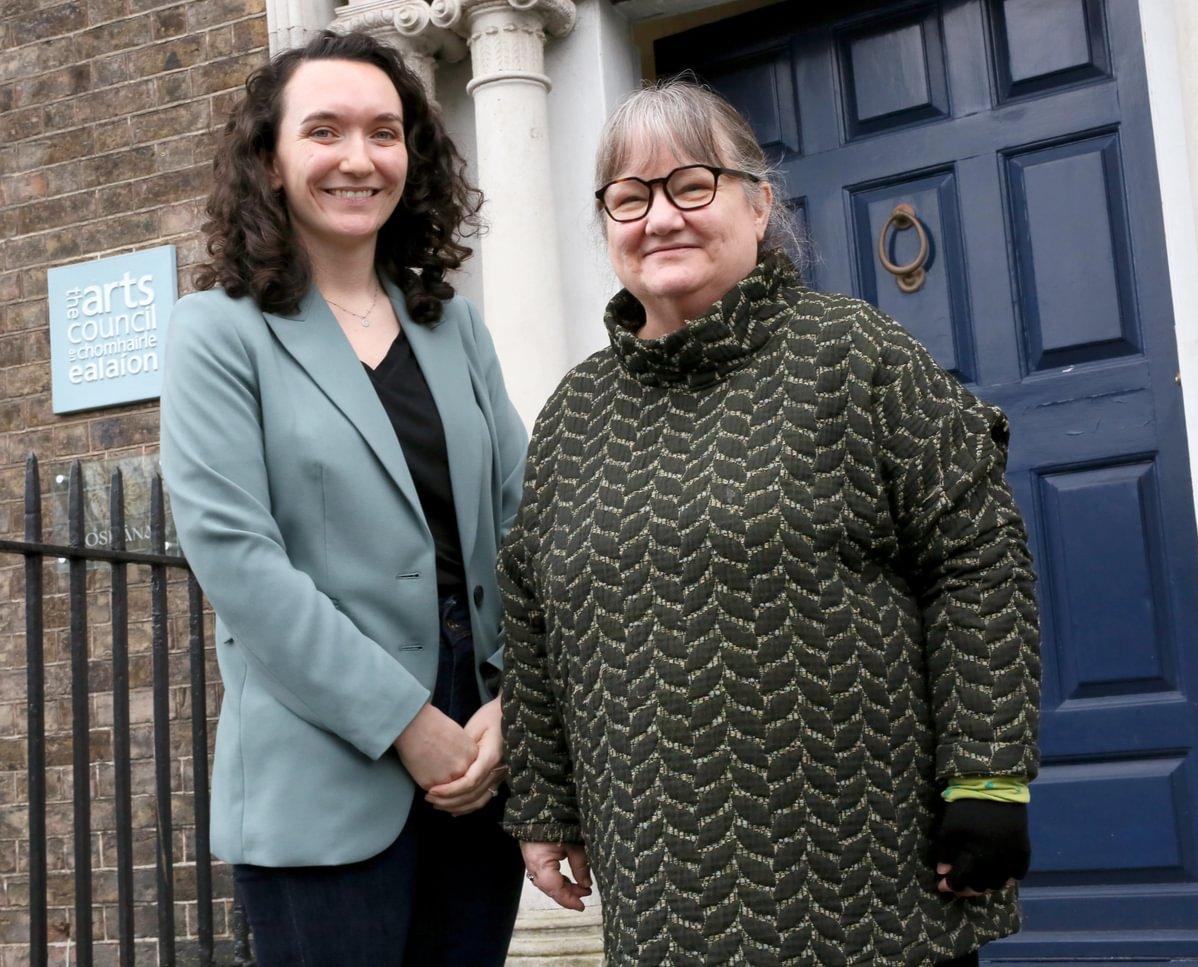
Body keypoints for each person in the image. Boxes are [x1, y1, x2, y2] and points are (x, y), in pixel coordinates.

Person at [499, 79, 1040, 966]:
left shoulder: (855, 355)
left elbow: (975, 557)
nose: (659, 217)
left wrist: (989, 776)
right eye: (629, 198)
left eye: (691, 185)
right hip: (664, 888)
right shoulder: (575, 413)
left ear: (759, 205)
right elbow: (531, 615)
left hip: (870, 883)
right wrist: (547, 808)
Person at [159, 31, 527, 966]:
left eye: (385, 132)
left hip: (482, 750)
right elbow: (241, 563)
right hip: (326, 764)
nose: (359, 159)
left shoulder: (454, 326)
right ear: (271, 164)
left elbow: (532, 526)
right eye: (323, 131)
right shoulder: (216, 335)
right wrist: (409, 723)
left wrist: (512, 702)